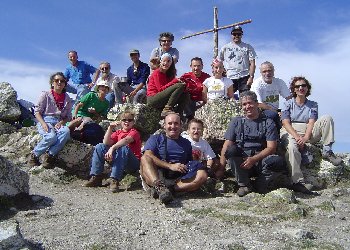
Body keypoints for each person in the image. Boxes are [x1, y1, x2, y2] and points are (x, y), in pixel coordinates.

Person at [220, 91, 289, 197]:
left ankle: (259, 184)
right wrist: (221, 168)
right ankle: (244, 185)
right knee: (231, 150)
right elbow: (227, 144)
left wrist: (254, 159)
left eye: (250, 103)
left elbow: (271, 147)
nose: (247, 106)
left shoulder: (268, 122)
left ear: (257, 104)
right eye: (244, 104)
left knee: (277, 161)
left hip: (261, 160)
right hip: (242, 163)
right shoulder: (236, 122)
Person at [280, 76, 342, 193]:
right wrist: (298, 138)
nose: (301, 88)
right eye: (297, 86)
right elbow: (285, 122)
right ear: (294, 89)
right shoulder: (287, 104)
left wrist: (306, 138)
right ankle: (298, 182)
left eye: (303, 85)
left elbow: (311, 122)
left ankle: (327, 151)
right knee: (292, 147)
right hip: (290, 130)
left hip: (307, 130)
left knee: (327, 118)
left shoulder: (313, 104)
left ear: (307, 88)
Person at [140, 113, 208, 204]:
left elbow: (189, 162)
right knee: (145, 158)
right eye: (170, 123)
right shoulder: (155, 139)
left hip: (177, 176)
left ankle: (170, 190)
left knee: (202, 174)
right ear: (164, 125)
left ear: (181, 126)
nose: (173, 126)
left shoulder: (186, 143)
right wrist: (170, 166)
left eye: (176, 123)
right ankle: (160, 188)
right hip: (156, 173)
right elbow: (148, 156)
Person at [83, 111, 142, 193]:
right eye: (124, 120)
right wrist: (110, 128)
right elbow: (106, 143)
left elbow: (126, 140)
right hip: (119, 159)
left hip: (132, 163)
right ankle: (96, 177)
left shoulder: (134, 132)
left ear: (133, 122)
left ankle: (114, 179)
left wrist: (112, 148)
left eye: (130, 120)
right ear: (120, 122)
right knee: (100, 146)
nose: (127, 122)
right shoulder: (118, 132)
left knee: (124, 148)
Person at [29, 72, 73, 168]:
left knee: (65, 132)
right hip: (45, 119)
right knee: (51, 136)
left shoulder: (67, 98)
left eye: (62, 81)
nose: (59, 83)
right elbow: (37, 112)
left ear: (65, 84)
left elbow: (68, 116)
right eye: (56, 80)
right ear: (52, 83)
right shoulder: (45, 95)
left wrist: (62, 122)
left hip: (58, 122)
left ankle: (49, 156)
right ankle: (34, 155)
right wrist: (43, 123)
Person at [251, 61, 292, 131]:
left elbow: (289, 98)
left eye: (269, 70)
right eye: (264, 71)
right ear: (261, 73)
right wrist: (276, 112)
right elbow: (259, 104)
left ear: (273, 71)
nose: (267, 73)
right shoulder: (257, 84)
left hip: (275, 109)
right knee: (272, 115)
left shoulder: (279, 82)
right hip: (261, 110)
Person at [147, 53, 189, 118]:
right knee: (179, 86)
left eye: (168, 61)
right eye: (164, 61)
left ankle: (179, 115)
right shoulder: (156, 72)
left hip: (162, 98)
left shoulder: (168, 75)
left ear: (171, 64)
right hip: (153, 99)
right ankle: (167, 109)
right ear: (160, 62)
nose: (166, 63)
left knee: (185, 94)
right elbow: (160, 89)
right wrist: (174, 81)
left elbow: (170, 89)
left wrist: (184, 86)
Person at [219, 25, 257, 94]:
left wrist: (251, 77)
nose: (236, 36)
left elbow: (252, 63)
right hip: (230, 77)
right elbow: (218, 61)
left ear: (241, 35)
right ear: (231, 35)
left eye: (239, 34)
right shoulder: (225, 48)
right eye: (234, 34)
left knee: (245, 98)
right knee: (227, 97)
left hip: (244, 77)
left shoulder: (248, 47)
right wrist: (223, 71)